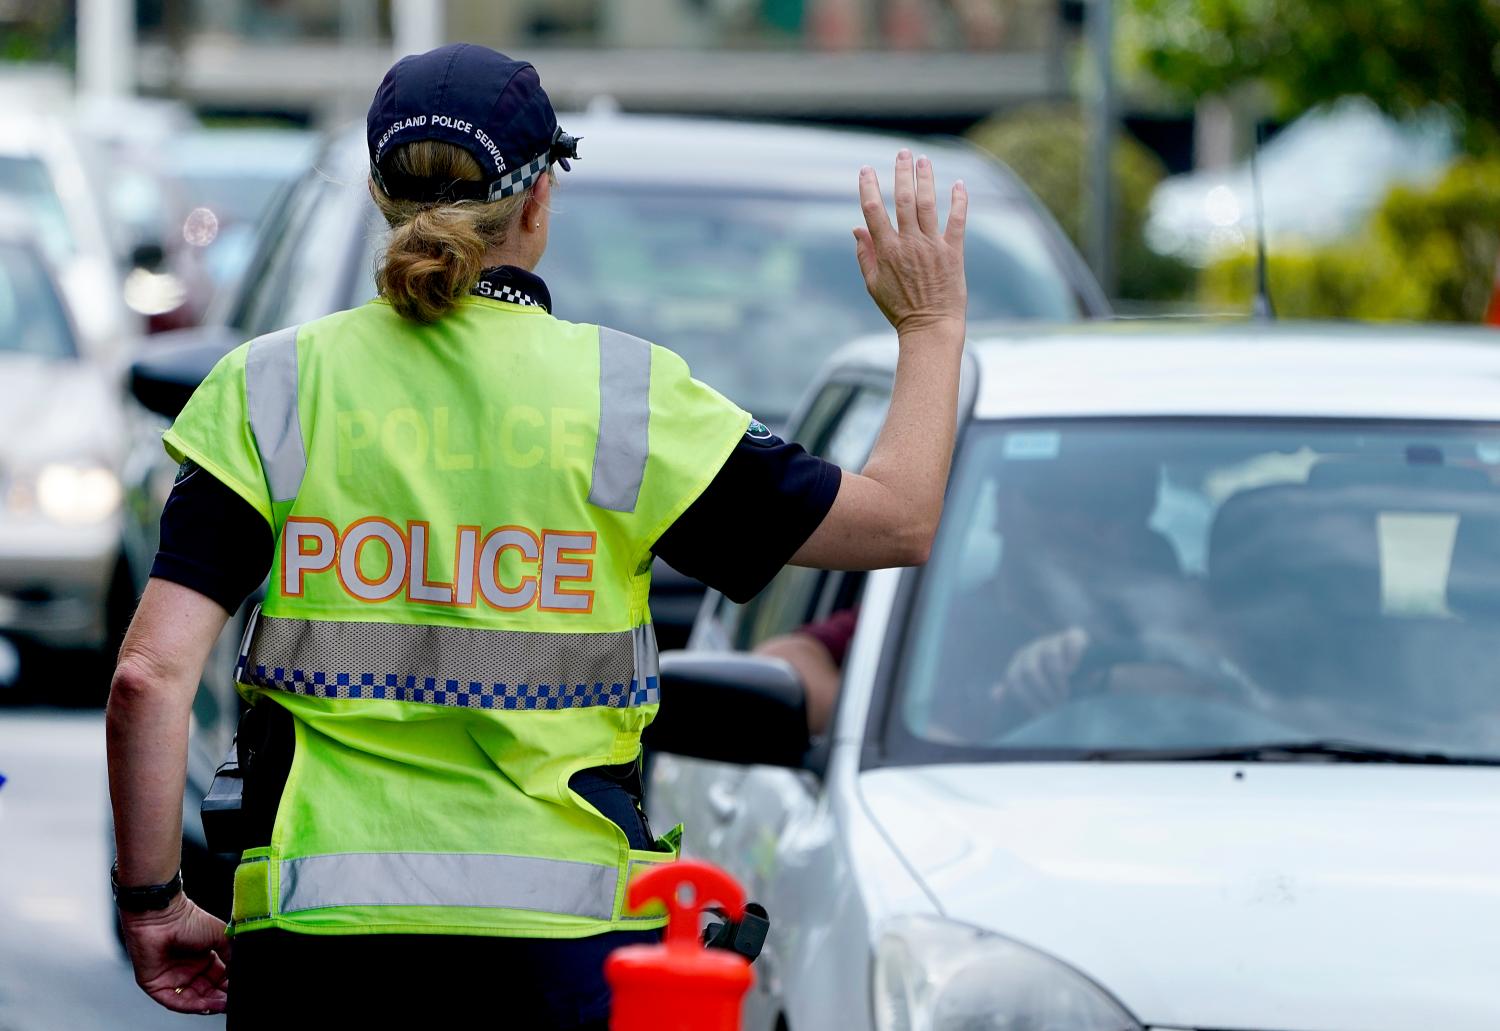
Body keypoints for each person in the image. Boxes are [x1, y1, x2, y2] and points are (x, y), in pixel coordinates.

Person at [105, 43, 967, 1027]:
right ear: (539, 200)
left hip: (319, 952)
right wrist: (930, 325)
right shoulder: (628, 400)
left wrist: (153, 900)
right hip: (567, 960)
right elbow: (899, 518)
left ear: (382, 196)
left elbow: (148, 677)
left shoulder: (270, 387)